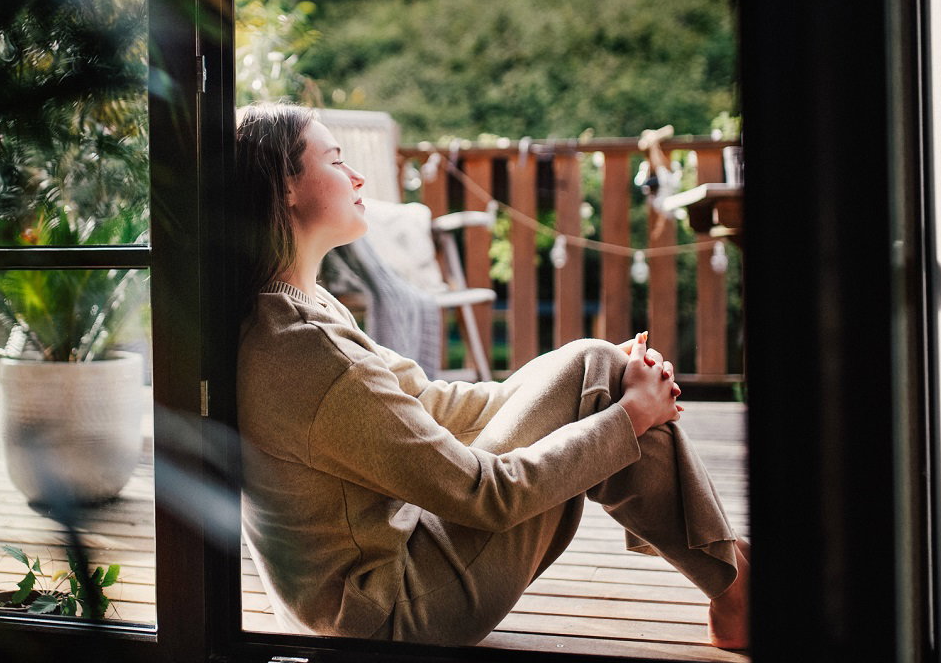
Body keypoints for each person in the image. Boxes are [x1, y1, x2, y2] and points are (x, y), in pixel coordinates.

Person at [232, 102, 750, 649]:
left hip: (369, 590)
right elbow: (487, 496)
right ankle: (738, 581)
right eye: (336, 161)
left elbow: (432, 401)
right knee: (603, 385)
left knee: (597, 367)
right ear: (284, 187)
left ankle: (736, 574)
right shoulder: (307, 352)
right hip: (388, 617)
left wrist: (594, 383)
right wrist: (629, 414)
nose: (358, 176)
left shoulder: (298, 310)